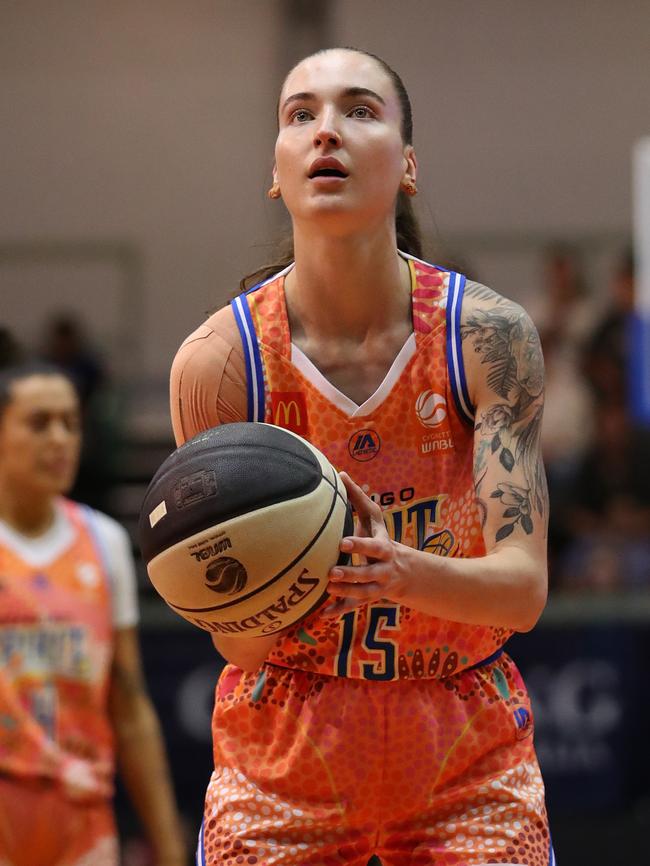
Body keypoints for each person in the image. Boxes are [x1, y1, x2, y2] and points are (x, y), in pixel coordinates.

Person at [171, 48, 554, 866]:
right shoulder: (218, 363)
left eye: (360, 110)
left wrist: (399, 572)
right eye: (300, 114)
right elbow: (236, 645)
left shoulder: (487, 336)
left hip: (462, 748)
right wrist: (287, 558)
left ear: (408, 165)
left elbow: (522, 589)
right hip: (284, 750)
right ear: (276, 170)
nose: (326, 133)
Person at [0, 361, 187, 866]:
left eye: (71, 423)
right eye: (40, 423)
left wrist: (167, 842)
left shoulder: (103, 542)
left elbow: (129, 708)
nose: (60, 439)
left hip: (81, 811)